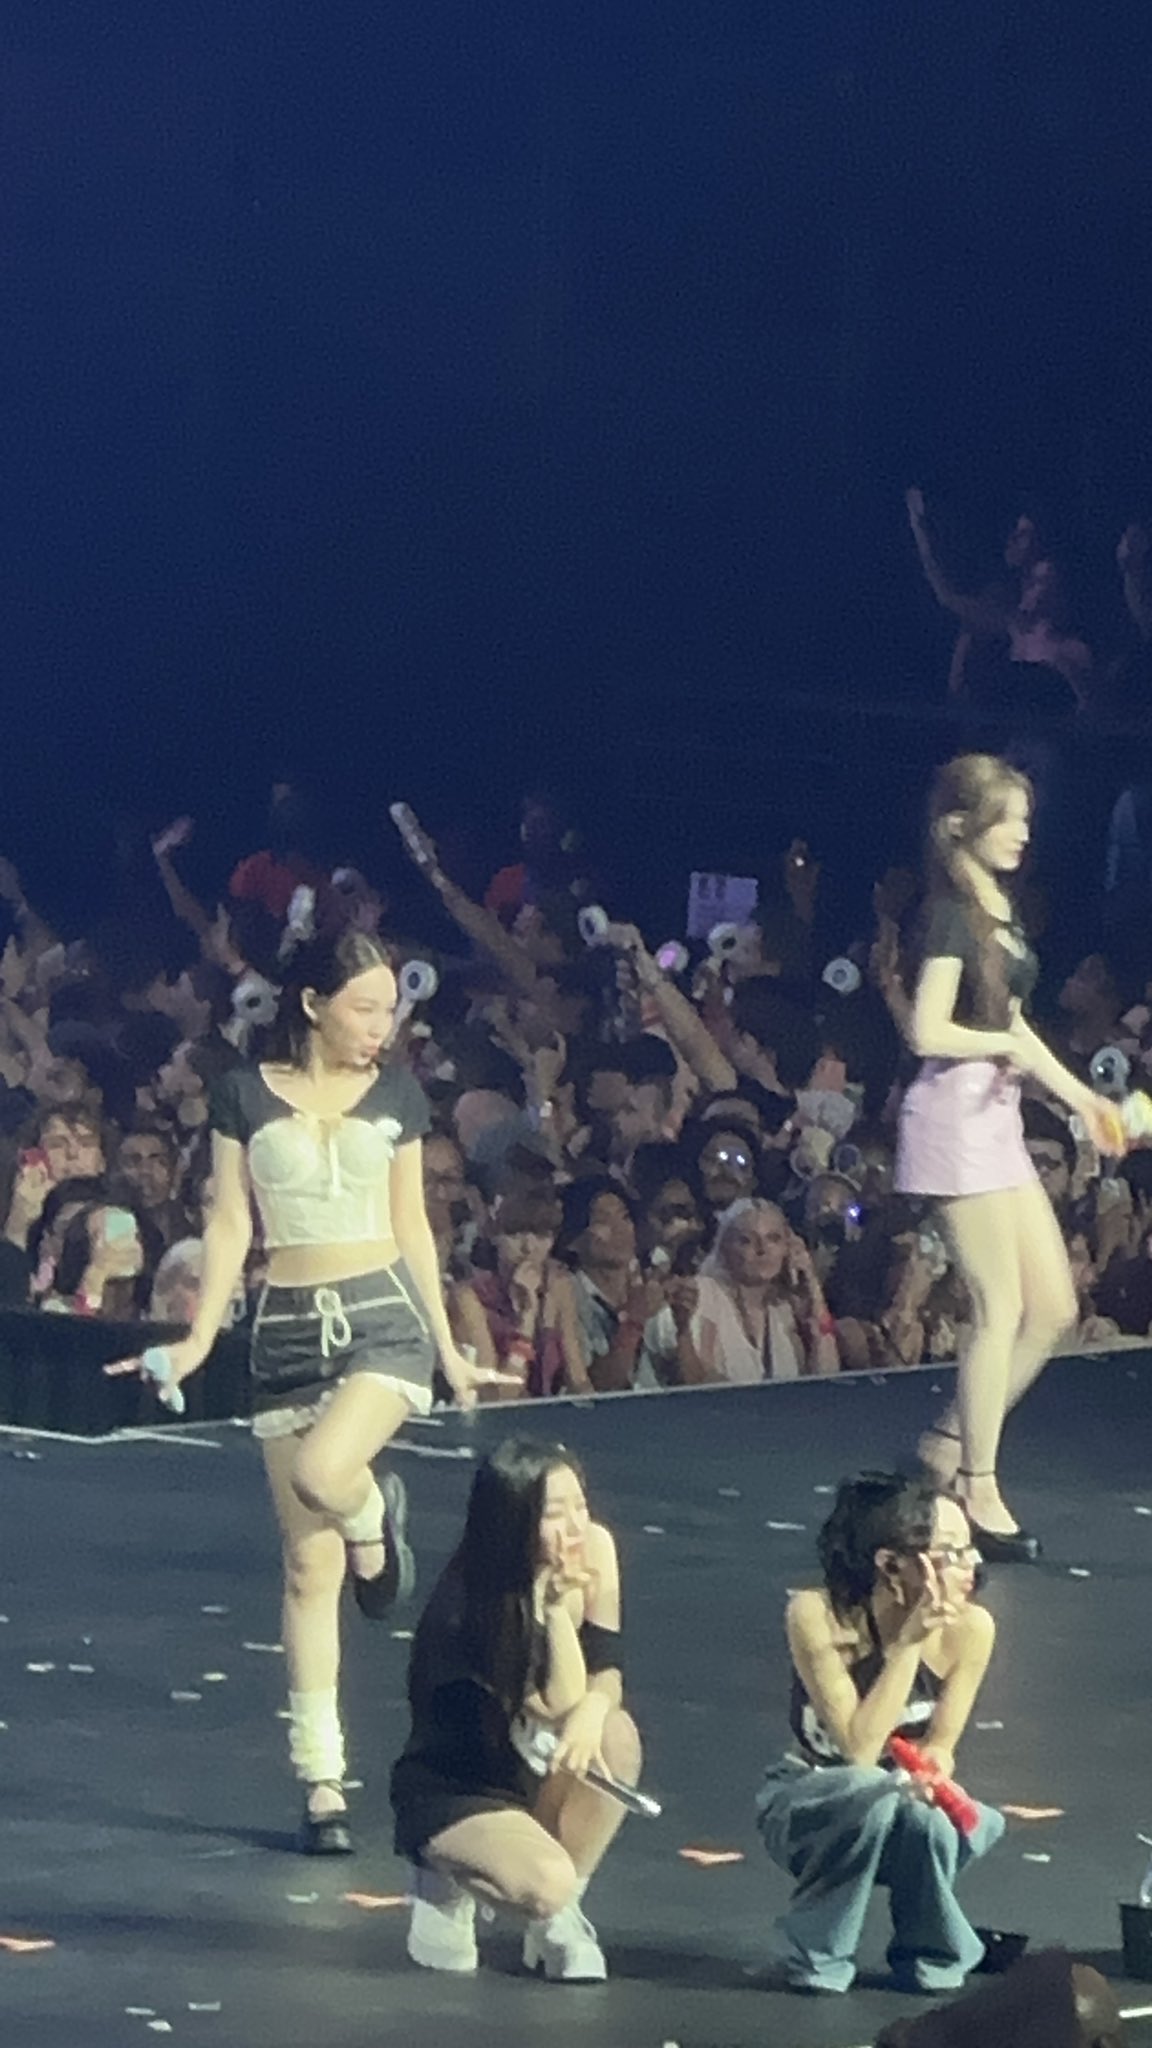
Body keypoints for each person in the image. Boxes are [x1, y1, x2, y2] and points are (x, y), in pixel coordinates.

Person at [108, 927, 511, 1854]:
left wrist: (446, 1347)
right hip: (287, 1323)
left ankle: (373, 1520)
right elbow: (229, 1223)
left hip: (381, 1316)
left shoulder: (398, 1093)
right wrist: (198, 1337)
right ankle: (322, 1780)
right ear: (313, 1003)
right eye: (364, 1008)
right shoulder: (243, 1093)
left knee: (326, 1473)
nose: (381, 1027)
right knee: (306, 1567)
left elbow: (413, 1223)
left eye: (389, 1010)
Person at [896, 755, 1118, 1559]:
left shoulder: (1000, 908)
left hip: (995, 1117)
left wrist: (1081, 1099)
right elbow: (927, 1030)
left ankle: (948, 1441)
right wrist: (1007, 1051)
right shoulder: (949, 915)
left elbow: (1013, 1023)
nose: (1024, 833)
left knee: (1052, 1307)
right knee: (998, 1307)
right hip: (953, 1120)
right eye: (1008, 819)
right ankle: (977, 1485)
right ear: (961, 826)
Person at [391, 1438, 641, 1982]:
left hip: (534, 1757)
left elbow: (607, 1665)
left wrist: (596, 1709)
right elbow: (557, 1703)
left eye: (581, 1505)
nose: (576, 1527)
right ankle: (442, 1867)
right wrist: (555, 1611)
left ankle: (558, 1918)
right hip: (464, 1783)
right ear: (514, 1522)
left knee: (616, 1736)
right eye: (554, 1514)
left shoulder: (594, 1547)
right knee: (546, 1883)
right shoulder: (475, 1607)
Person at [756, 1472, 1003, 1995]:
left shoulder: (972, 1629)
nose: (971, 1567)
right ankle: (818, 1954)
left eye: (970, 1550)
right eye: (952, 1553)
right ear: (891, 1565)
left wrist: (933, 1774)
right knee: (869, 1791)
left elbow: (941, 1743)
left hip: (898, 1802)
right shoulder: (817, 1615)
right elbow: (859, 1749)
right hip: (810, 1799)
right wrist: (909, 1643)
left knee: (928, 1820)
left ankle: (932, 1953)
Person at [643, 1197, 839, 1383]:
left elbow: (826, 1379)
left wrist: (813, 1287)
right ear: (725, 1248)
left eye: (773, 1239)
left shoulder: (783, 1310)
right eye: (746, 1240)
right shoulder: (700, 1295)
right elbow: (696, 1382)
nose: (762, 1249)